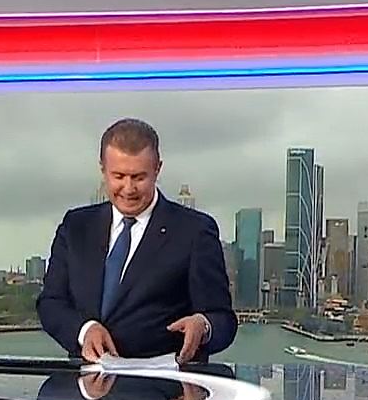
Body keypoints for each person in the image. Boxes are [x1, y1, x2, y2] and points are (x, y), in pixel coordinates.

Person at [35, 118, 237, 363]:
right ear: (102, 169)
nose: (128, 188)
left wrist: (203, 326)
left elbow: (223, 320)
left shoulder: (195, 231)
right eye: (119, 176)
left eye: (139, 177)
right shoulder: (76, 226)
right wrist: (85, 330)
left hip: (164, 383)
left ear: (157, 169)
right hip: (87, 381)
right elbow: (51, 303)